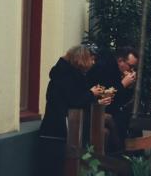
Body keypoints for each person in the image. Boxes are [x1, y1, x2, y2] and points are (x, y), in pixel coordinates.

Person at [38, 45, 113, 175]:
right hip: (60, 129)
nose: (93, 63)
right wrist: (91, 93)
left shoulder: (68, 74)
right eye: (91, 59)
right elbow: (74, 101)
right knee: (57, 166)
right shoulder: (65, 76)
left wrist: (96, 100)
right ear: (82, 58)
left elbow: (76, 98)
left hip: (61, 127)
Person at [87, 46, 138, 151]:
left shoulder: (118, 71)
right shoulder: (104, 68)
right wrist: (123, 84)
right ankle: (121, 153)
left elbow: (121, 99)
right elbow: (105, 95)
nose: (131, 70)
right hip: (94, 108)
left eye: (134, 68)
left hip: (109, 109)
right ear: (120, 61)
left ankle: (127, 153)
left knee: (130, 120)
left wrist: (129, 86)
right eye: (130, 66)